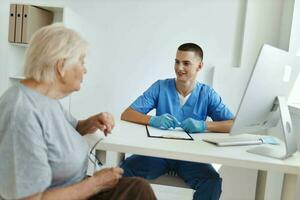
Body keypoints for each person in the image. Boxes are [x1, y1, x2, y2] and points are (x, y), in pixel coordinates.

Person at [0, 24, 156, 200]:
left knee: (138, 188)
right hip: (67, 192)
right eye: (81, 61)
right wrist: (95, 184)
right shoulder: (21, 111)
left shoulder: (46, 98)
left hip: (76, 185)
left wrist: (90, 122)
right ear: (61, 66)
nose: (85, 70)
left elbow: (70, 129)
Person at [120, 43, 234, 200]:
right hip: (158, 154)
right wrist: (152, 120)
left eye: (186, 63)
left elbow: (233, 124)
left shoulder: (207, 94)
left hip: (191, 158)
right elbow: (127, 114)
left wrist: (204, 125)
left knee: (212, 182)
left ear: (199, 66)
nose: (179, 68)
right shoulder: (160, 87)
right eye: (177, 61)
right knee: (124, 171)